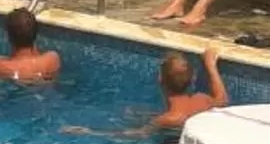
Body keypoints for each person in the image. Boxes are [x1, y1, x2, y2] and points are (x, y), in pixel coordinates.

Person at [66, 46, 226, 137]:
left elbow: (137, 134)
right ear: (192, 80)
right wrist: (210, 65)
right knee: (134, 113)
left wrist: (88, 131)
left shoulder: (167, 119)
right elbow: (222, 100)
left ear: (160, 80)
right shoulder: (202, 100)